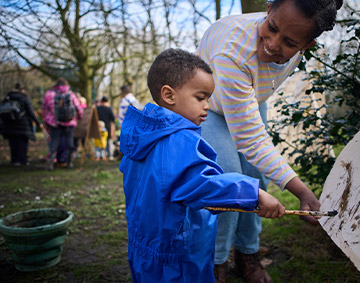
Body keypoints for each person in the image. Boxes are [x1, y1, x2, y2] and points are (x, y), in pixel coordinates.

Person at [196, 0, 344, 282]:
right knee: (229, 181)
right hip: (210, 106)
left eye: (288, 42)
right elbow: (251, 140)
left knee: (256, 178)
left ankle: (247, 254)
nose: (273, 44)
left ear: (306, 45)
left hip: (247, 96)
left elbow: (250, 124)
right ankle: (214, 264)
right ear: (267, 11)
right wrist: (302, 191)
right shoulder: (234, 51)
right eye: (271, 28)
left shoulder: (295, 39)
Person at [119, 48, 286, 282]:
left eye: (208, 98)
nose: (207, 105)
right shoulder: (179, 142)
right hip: (177, 257)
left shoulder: (141, 136)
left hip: (144, 247)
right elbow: (205, 185)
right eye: (201, 97)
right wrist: (254, 194)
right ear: (169, 95)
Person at [42, 77, 84, 170]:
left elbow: (44, 109)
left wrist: (45, 121)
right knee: (70, 143)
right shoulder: (70, 94)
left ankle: (51, 163)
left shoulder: (49, 94)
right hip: (69, 122)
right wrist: (79, 118)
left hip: (54, 122)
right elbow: (78, 108)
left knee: (54, 142)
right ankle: (69, 162)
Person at [0, 83, 42, 166]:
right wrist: (38, 123)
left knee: (13, 144)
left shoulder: (8, 98)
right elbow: (31, 112)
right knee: (22, 144)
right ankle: (22, 160)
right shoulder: (24, 98)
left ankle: (14, 160)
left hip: (10, 125)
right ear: (22, 89)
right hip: (23, 125)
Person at [96, 96, 115, 160]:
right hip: (108, 128)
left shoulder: (97, 108)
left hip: (98, 127)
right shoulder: (109, 109)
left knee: (98, 142)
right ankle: (109, 155)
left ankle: (99, 155)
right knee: (108, 142)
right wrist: (112, 131)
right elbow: (112, 120)